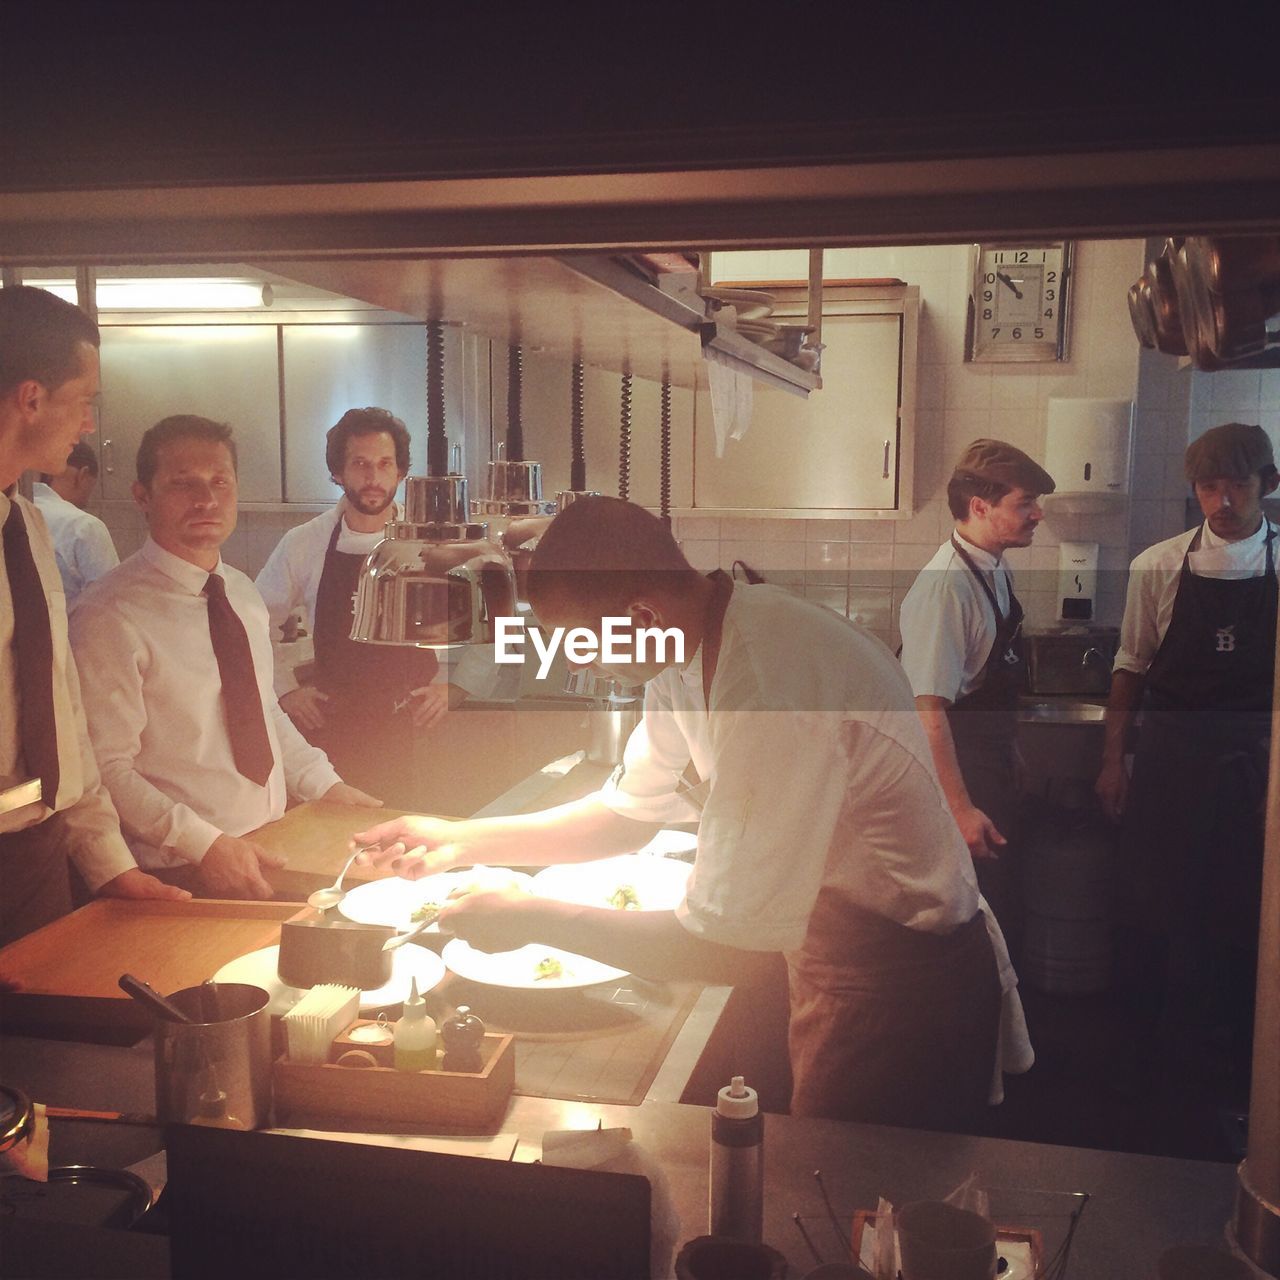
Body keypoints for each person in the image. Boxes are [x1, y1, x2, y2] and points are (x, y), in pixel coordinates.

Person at [355, 496, 1032, 1128]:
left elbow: (723, 945)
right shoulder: (689, 646)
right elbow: (629, 813)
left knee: (863, 1221)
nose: (581, 668)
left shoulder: (765, 684)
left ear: (642, 616)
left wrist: (531, 916)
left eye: (583, 644)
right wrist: (459, 840)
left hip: (903, 995)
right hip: (839, 956)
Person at [69, 414, 381, 900]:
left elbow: (265, 712)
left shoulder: (240, 592)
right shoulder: (109, 613)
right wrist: (204, 845)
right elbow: (107, 766)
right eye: (182, 483)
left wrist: (326, 786)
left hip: (273, 841)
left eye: (220, 482)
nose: (206, 500)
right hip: (181, 869)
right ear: (142, 495)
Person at [0, 285, 188, 947]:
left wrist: (108, 865)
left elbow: (59, 708)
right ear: (31, 400)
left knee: (47, 1048)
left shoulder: (24, 525)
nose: (87, 424)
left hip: (37, 853)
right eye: (83, 401)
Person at [1096, 421, 1278, 1096]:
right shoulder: (1158, 565)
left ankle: (1240, 1067)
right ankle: (1157, 1066)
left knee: (1244, 910)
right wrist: (1114, 760)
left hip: (1257, 761)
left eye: (1238, 484)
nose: (1223, 499)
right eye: (1209, 486)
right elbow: (1130, 668)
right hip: (1173, 758)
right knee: (1161, 905)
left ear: (1269, 485)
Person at [255, 407, 465, 807]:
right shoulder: (305, 542)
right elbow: (250, 623)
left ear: (401, 472)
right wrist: (284, 690)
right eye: (360, 464)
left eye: (385, 464)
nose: (373, 478)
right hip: (335, 727)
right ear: (338, 472)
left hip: (413, 724)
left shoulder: (434, 540)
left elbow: (490, 620)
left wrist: (455, 684)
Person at [898, 439, 1055, 955]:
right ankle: (972, 1027)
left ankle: (1002, 1025)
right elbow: (928, 711)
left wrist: (1011, 751)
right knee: (973, 911)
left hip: (987, 755)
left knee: (1000, 902)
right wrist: (960, 808)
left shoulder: (993, 566)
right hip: (957, 765)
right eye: (1024, 503)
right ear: (980, 507)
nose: (1036, 514)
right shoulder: (946, 588)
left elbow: (991, 675)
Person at [33, 440, 119, 606]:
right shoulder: (84, 526)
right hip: (71, 630)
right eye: (91, 487)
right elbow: (110, 603)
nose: (88, 499)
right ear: (83, 475)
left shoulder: (17, 509)